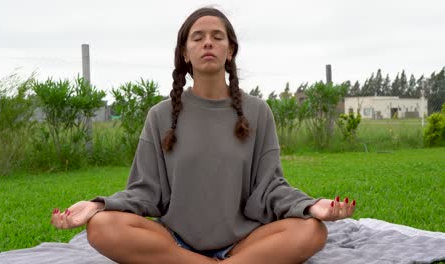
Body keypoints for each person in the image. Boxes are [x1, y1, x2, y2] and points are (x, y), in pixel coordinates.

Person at [51, 7, 356, 264]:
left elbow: (270, 187)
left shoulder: (258, 112)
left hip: (244, 242)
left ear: (230, 50)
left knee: (312, 231)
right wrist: (98, 205)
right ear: (185, 53)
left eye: (217, 37)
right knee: (102, 227)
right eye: (198, 37)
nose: (207, 43)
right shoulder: (160, 116)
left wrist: (310, 205)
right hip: (174, 243)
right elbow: (144, 192)